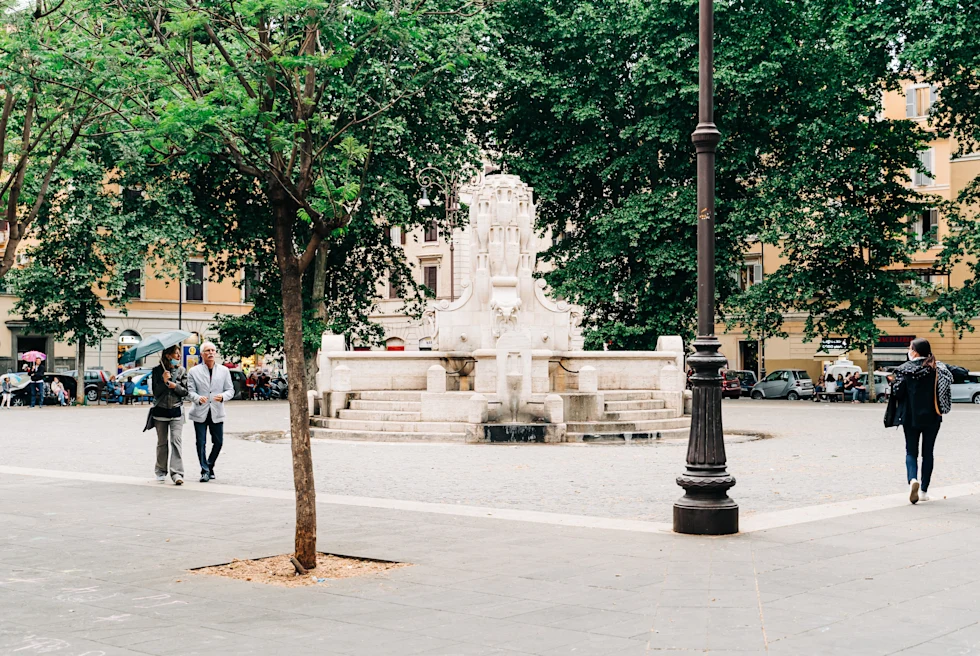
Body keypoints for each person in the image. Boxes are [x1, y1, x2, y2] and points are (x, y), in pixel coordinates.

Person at [891, 338, 952, 504]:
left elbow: (898, 394)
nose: (908, 350)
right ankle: (924, 490)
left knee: (911, 452)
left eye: (910, 347)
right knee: (928, 453)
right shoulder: (936, 368)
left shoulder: (904, 370)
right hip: (933, 416)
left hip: (910, 417)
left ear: (915, 351)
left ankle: (912, 479)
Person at [187, 342, 235, 483]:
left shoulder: (224, 370)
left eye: (213, 350)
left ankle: (210, 464)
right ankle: (205, 471)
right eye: (207, 350)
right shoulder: (193, 371)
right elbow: (190, 391)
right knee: (200, 443)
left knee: (218, 442)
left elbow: (230, 390)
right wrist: (197, 398)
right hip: (199, 412)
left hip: (217, 410)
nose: (211, 353)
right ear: (202, 354)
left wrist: (223, 396)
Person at [151, 345, 189, 485]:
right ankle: (160, 471)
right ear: (168, 355)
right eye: (176, 354)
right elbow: (155, 392)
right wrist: (163, 381)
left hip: (176, 411)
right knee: (162, 443)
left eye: (179, 354)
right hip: (160, 412)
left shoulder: (181, 370)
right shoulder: (156, 371)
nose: (179, 356)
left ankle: (177, 473)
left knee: (176, 441)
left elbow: (185, 391)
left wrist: (175, 386)